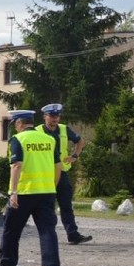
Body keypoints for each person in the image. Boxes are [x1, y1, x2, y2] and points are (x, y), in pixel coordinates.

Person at [0, 110, 62, 266]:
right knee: (47, 231)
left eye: (15, 124)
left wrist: (13, 192)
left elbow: (17, 165)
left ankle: (7, 265)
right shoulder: (49, 139)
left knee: (11, 230)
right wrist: (53, 186)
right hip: (46, 192)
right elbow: (58, 165)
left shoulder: (18, 139)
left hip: (24, 192)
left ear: (19, 124)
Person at [36, 103, 92, 244]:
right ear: (45, 117)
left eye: (57, 116)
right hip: (44, 174)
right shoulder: (37, 132)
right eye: (52, 116)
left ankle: (73, 235)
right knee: (45, 206)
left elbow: (80, 141)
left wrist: (75, 156)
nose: (55, 119)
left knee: (66, 205)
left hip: (62, 173)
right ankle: (47, 235)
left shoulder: (63, 129)